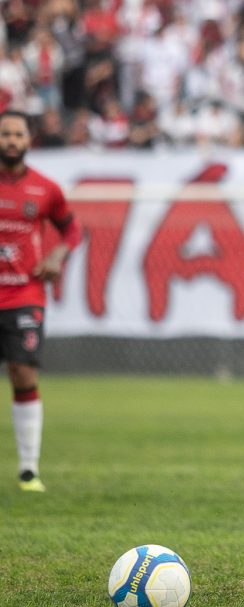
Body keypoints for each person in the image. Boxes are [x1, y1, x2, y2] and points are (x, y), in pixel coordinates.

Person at [0, 110, 80, 493]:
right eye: (5, 134)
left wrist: (58, 256)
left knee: (24, 374)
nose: (11, 140)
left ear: (29, 140)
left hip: (24, 295)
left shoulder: (45, 189)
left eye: (18, 134)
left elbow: (72, 228)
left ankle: (29, 469)